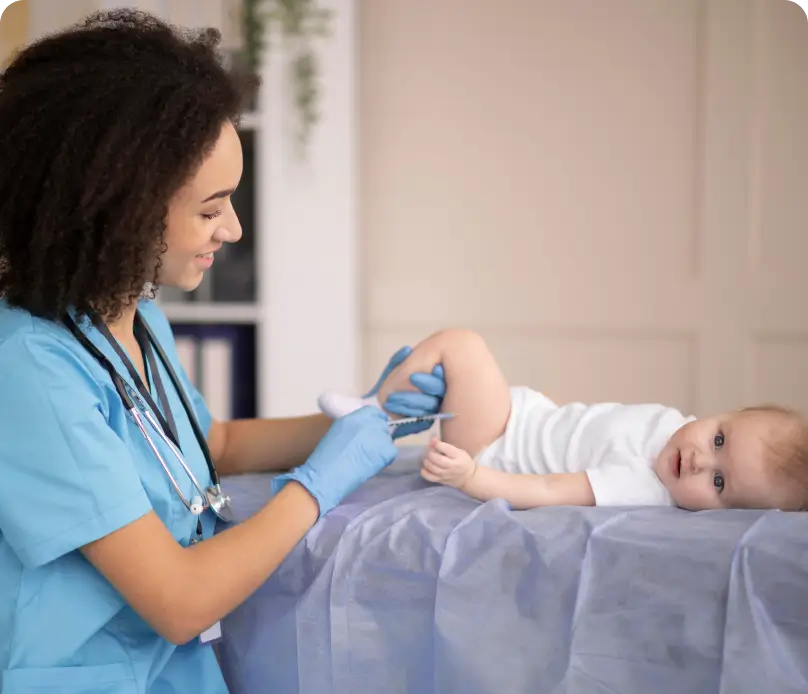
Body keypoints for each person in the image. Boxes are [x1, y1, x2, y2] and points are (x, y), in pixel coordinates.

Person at [0, 10, 447, 693]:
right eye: (210, 210)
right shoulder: (31, 368)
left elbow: (213, 444)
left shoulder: (135, 315)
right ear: (116, 207)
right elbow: (179, 601)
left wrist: (366, 418)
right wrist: (318, 485)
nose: (231, 230)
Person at [319, 328, 808, 512]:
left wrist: (471, 476)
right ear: (721, 414)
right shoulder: (677, 427)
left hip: (495, 446)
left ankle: (373, 409)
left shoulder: (641, 486)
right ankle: (379, 404)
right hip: (520, 417)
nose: (701, 460)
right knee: (453, 359)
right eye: (719, 438)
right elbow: (592, 426)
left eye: (720, 482)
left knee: (462, 346)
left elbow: (551, 489)